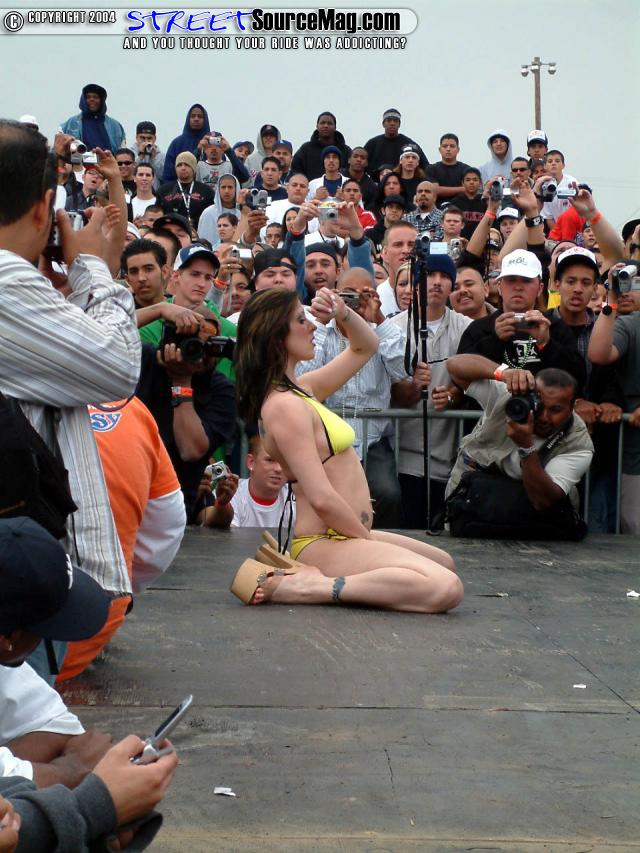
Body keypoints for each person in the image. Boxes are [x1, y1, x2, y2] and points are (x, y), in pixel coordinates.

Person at [231, 286, 463, 613]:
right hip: (324, 539)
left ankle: (326, 578)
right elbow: (321, 497)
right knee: (445, 587)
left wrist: (342, 311)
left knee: (444, 563)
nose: (312, 326)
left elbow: (366, 346)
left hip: (345, 533)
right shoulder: (283, 406)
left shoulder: (303, 389)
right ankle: (311, 586)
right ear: (276, 335)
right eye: (301, 320)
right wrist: (366, 543)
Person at [0, 124, 140, 634]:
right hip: (19, 580)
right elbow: (118, 366)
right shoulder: (7, 282)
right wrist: (92, 267)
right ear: (44, 207)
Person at [298, 267, 407, 527]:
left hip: (373, 440)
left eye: (363, 295)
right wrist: (322, 321)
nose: (355, 302)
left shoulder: (382, 329)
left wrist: (378, 318)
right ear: (335, 293)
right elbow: (303, 376)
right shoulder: (320, 330)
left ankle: (377, 542)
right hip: (327, 438)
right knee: (330, 498)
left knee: (388, 494)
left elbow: (402, 370)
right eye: (348, 294)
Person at [444, 359, 593, 537]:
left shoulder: (578, 442)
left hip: (529, 518)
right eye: (539, 406)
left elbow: (542, 500)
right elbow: (454, 366)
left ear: (572, 407)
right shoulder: (507, 395)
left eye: (556, 410)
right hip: (472, 500)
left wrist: (526, 446)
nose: (544, 417)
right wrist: (503, 373)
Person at [391, 254, 472, 528]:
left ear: (452, 285)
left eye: (445, 276)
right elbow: (388, 392)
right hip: (404, 457)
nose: (437, 282)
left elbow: (474, 385)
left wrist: (455, 394)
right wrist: (413, 387)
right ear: (415, 283)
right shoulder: (394, 329)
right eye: (429, 276)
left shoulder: (467, 328)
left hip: (450, 458)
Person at [457, 249, 586, 390]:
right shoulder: (479, 328)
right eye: (511, 280)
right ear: (499, 286)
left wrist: (546, 344)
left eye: (526, 280)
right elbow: (459, 373)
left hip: (542, 403)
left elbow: (579, 378)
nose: (518, 287)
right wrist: (495, 341)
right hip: (492, 403)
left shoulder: (553, 326)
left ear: (540, 288)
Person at [588, 263, 640, 533]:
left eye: (635, 283)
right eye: (623, 282)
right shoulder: (628, 324)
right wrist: (611, 299)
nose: (627, 289)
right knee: (633, 530)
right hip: (633, 455)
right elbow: (598, 354)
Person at [364, 108, 428, 180]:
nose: (392, 123)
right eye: (389, 120)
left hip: (403, 183)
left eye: (395, 121)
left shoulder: (410, 145)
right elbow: (362, 165)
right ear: (383, 124)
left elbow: (426, 167)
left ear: (399, 124)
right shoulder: (372, 144)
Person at [59, 84, 125, 152]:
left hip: (108, 158)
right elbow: (59, 148)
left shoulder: (115, 126)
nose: (92, 99)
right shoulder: (71, 123)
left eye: (95, 97)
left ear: (101, 100)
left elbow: (123, 151)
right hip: (79, 159)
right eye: (88, 97)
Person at [157, 152, 214, 230]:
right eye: (179, 165)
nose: (183, 168)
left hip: (199, 231)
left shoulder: (206, 191)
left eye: (187, 165)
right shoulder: (163, 190)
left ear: (194, 168)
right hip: (171, 232)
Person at [291, 112, 351, 180]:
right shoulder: (305, 149)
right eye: (322, 123)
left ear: (335, 127)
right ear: (317, 126)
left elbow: (352, 171)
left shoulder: (346, 150)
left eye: (329, 123)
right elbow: (295, 169)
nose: (326, 126)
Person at [162, 103, 210, 182]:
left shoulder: (212, 145)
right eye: (193, 116)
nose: (196, 119)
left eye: (200, 116)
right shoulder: (176, 144)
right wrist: (198, 151)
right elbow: (168, 175)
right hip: (179, 188)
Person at [424, 133, 470, 205]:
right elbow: (435, 190)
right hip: (438, 209)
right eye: (445, 146)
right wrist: (462, 189)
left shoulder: (466, 169)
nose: (448, 149)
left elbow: (470, 190)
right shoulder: (432, 169)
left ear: (458, 150)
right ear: (440, 149)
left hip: (462, 208)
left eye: (452, 146)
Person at [448, 167, 487, 238]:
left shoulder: (486, 203)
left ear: (480, 183)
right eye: (468, 180)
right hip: (459, 241)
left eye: (475, 180)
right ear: (462, 183)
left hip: (481, 241)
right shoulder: (454, 203)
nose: (471, 182)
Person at [342, 146, 378, 210]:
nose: (358, 160)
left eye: (362, 158)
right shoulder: (338, 176)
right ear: (349, 160)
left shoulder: (371, 186)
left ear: (366, 163)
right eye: (355, 156)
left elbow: (371, 209)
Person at [134, 120, 165, 190]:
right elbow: (130, 173)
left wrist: (154, 159)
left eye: (149, 138)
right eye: (142, 138)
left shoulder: (161, 156)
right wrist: (140, 156)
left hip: (155, 192)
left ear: (155, 138)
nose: (146, 141)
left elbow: (162, 176)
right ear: (136, 138)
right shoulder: (131, 153)